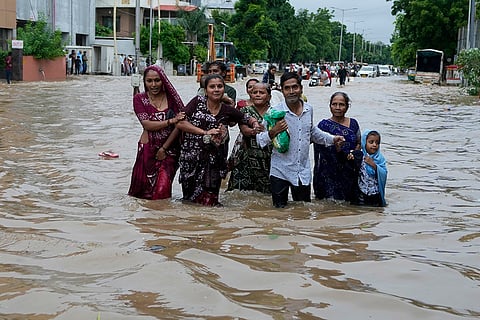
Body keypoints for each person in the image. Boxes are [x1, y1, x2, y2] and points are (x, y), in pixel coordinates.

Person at [256, 72, 345, 208]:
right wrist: (273, 131)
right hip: (280, 170)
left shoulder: (308, 109)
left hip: (302, 171)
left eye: (295, 87)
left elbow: (312, 132)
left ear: (301, 89)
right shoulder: (274, 113)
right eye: (287, 88)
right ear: (282, 90)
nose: (291, 91)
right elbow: (260, 140)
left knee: (302, 211)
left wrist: (333, 139)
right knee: (279, 212)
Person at [176, 74, 261, 206]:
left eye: (219, 86)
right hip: (192, 160)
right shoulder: (196, 102)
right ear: (206, 90)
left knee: (211, 203)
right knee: (189, 202)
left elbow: (246, 117)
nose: (216, 89)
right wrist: (205, 132)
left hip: (214, 162)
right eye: (212, 87)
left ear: (224, 89)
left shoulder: (227, 110)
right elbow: (180, 123)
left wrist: (255, 124)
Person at [128, 64, 186, 200]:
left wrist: (164, 148)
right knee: (142, 194)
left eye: (157, 80)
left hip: (170, 149)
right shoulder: (139, 99)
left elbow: (181, 123)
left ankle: (162, 219)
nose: (153, 84)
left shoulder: (172, 99)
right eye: (149, 81)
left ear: (163, 81)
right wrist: (170, 121)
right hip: (147, 149)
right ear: (144, 82)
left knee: (162, 191)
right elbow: (147, 124)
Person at [313, 92, 362, 202]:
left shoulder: (353, 124)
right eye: (334, 104)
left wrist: (354, 153)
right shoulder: (323, 125)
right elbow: (316, 141)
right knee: (328, 204)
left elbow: (359, 142)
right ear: (330, 106)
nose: (338, 108)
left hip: (348, 171)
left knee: (348, 203)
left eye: (341, 104)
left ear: (347, 106)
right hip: (327, 173)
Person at [227, 83, 272, 193]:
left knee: (266, 195)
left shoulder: (274, 112)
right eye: (254, 92)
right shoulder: (245, 111)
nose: (257, 95)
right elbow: (244, 130)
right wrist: (254, 131)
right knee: (239, 194)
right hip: (246, 157)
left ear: (269, 96)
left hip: (268, 158)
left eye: (261, 93)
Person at [351, 129, 388, 207]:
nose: (374, 145)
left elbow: (384, 174)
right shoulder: (359, 157)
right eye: (371, 142)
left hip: (375, 194)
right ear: (364, 143)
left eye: (377, 143)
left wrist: (374, 165)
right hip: (361, 193)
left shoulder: (380, 158)